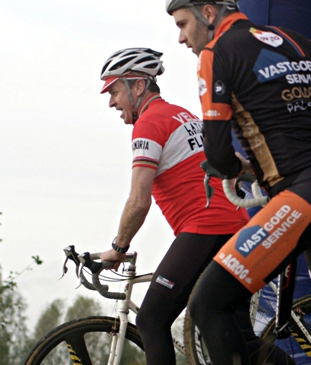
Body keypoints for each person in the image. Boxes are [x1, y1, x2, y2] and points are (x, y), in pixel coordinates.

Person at [165, 1, 311, 364]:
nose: (180, 37)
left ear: (208, 13)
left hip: (300, 197)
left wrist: (236, 167)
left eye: (182, 24)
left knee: (209, 305)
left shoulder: (216, 53)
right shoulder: (292, 41)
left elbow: (218, 154)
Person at [96, 47, 250, 365]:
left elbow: (139, 201)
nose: (111, 101)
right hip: (236, 227)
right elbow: (232, 162)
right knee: (243, 342)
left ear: (137, 85)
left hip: (204, 228)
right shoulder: (185, 115)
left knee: (152, 319)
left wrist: (118, 247)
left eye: (114, 89)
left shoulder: (149, 123)